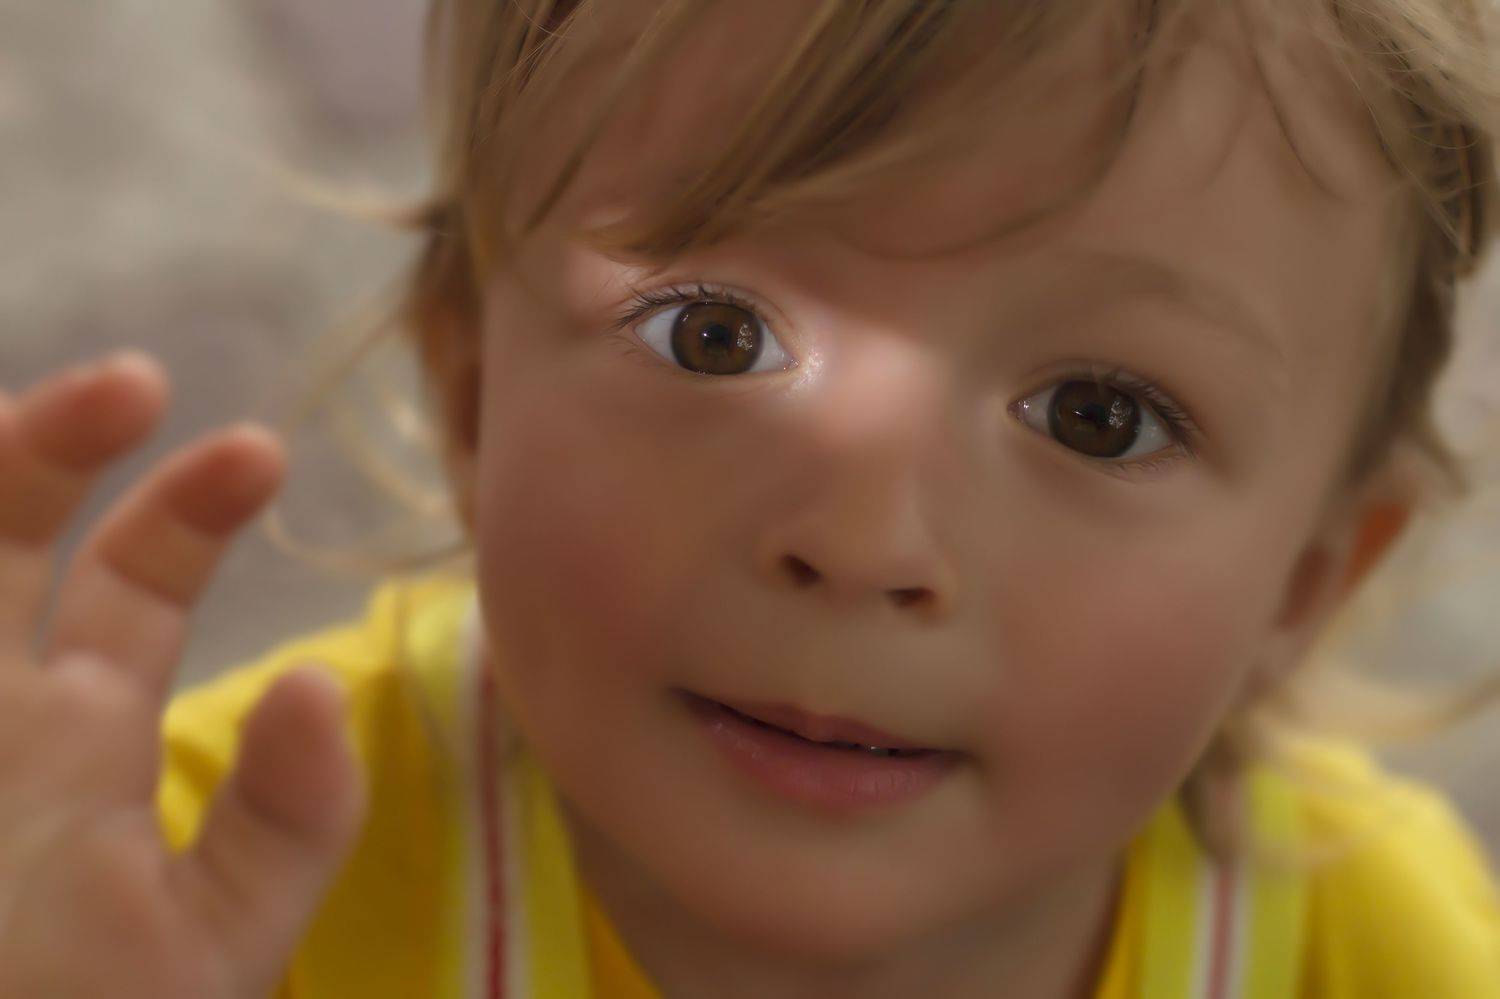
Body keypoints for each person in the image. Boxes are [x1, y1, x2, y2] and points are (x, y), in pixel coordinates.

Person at [2, 0, 1498, 995]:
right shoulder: (191, 877)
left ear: (1307, 584)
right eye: (713, 335)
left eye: (1099, 420)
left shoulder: (1368, 952)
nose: (860, 543)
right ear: (470, 392)